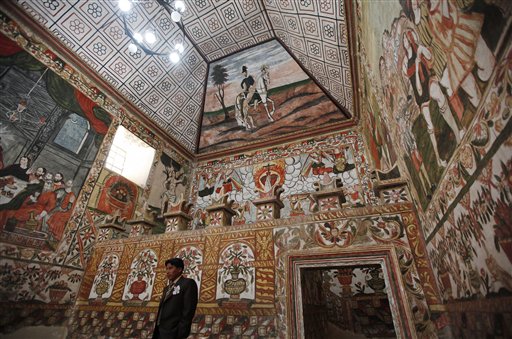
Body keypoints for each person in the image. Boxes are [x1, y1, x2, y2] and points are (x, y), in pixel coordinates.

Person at [153, 258, 198, 339]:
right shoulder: (167, 288)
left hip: (174, 333)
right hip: (160, 331)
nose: (167, 271)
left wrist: (180, 333)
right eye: (166, 269)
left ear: (179, 269)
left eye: (170, 268)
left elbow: (188, 310)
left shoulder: (188, 283)